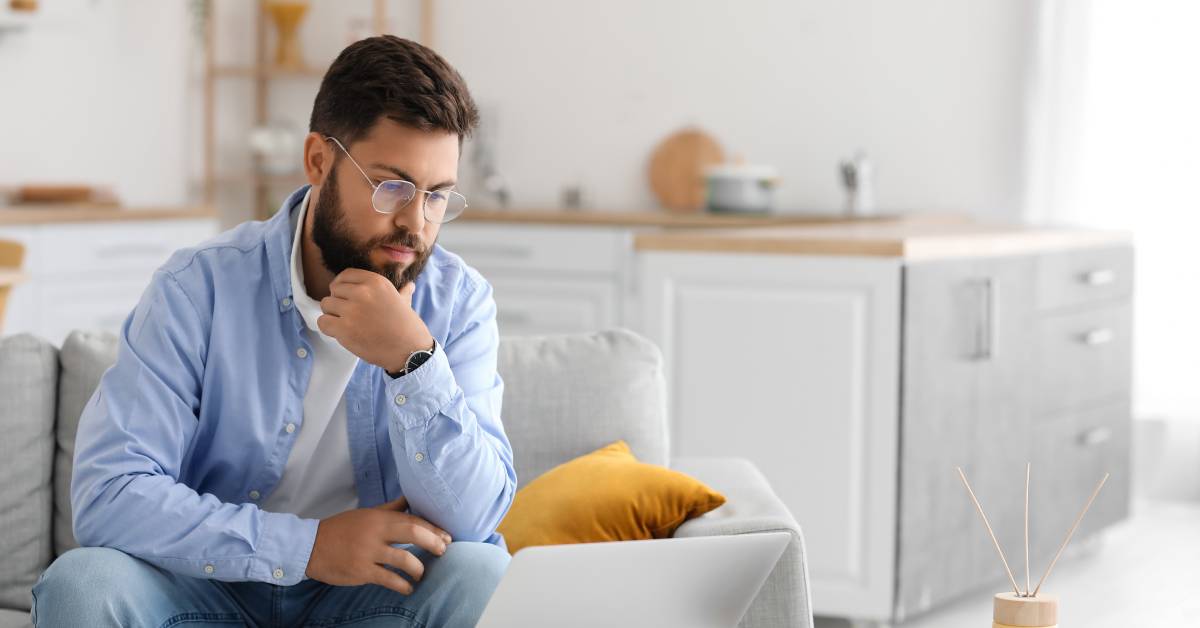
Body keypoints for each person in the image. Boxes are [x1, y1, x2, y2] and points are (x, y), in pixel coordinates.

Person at [32, 35, 516, 628]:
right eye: (392, 186)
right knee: (83, 585)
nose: (415, 222)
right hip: (206, 593)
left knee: (483, 576)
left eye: (437, 196)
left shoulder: (459, 302)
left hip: (370, 601)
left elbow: (475, 520)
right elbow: (110, 495)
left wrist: (413, 361)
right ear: (318, 160)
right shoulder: (197, 288)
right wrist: (309, 547)